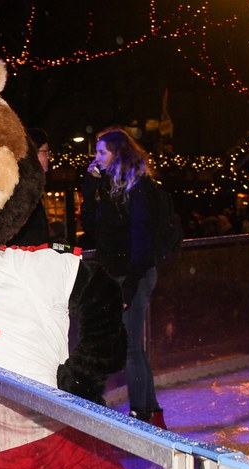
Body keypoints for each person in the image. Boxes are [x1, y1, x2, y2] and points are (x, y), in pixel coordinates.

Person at [81, 127, 166, 429]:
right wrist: (89, 188)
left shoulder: (139, 187)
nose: (96, 158)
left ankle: (141, 417)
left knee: (131, 348)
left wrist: (129, 287)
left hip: (135, 275)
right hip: (117, 274)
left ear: (118, 154)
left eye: (102, 152)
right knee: (133, 348)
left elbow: (141, 240)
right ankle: (152, 413)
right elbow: (91, 228)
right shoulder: (109, 186)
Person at [8, 128, 51, 247]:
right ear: (32, 153)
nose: (48, 157)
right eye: (45, 152)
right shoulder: (21, 188)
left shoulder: (31, 184)